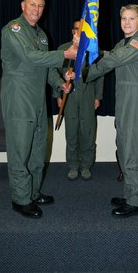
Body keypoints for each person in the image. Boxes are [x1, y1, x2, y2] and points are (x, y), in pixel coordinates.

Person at [0, 0, 77, 218]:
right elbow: (31, 57)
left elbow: (47, 67)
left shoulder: (41, 35)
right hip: (19, 97)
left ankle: (32, 192)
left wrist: (60, 84)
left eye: (41, 6)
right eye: (33, 4)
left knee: (37, 149)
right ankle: (21, 199)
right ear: (23, 5)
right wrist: (65, 54)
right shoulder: (13, 29)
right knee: (20, 150)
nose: (37, 9)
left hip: (37, 98)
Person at [86, 4, 138, 217]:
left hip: (135, 100)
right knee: (124, 148)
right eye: (123, 18)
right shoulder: (122, 43)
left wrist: (88, 69)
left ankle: (135, 202)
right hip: (124, 101)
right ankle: (129, 193)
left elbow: (113, 59)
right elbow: (111, 55)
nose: (126, 22)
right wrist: (87, 69)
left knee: (134, 151)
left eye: (131, 18)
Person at [55, 19, 104, 181]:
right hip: (69, 96)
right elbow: (54, 73)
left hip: (87, 94)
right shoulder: (63, 49)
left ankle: (86, 166)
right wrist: (58, 95)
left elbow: (99, 76)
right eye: (77, 29)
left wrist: (98, 96)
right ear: (72, 31)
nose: (79, 32)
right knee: (71, 132)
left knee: (87, 132)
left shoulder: (92, 50)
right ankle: (73, 166)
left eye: (83, 29)